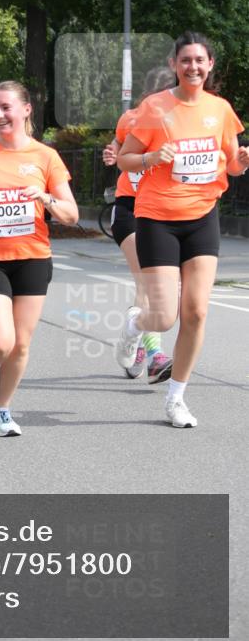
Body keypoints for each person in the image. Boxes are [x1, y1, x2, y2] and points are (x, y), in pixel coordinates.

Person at [116, 33, 249, 428]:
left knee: (196, 311)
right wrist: (153, 156)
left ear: (210, 66)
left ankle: (176, 399)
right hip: (157, 218)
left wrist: (241, 161)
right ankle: (135, 326)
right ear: (175, 64)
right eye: (185, 60)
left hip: (202, 217)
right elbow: (124, 159)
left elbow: (231, 166)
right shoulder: (155, 107)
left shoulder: (221, 110)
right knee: (163, 317)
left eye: (200, 61)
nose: (193, 67)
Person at [0, 81, 78, 436]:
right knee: (0, 340)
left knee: (21, 344)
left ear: (26, 110)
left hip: (33, 258)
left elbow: (71, 214)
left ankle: (2, 410)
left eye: (5, 107)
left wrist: (46, 198)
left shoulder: (45, 156)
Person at [102, 68, 175, 383]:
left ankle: (139, 342)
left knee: (149, 286)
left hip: (161, 211)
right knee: (148, 280)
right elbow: (120, 150)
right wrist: (113, 153)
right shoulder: (131, 119)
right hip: (129, 208)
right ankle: (156, 356)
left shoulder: (184, 123)